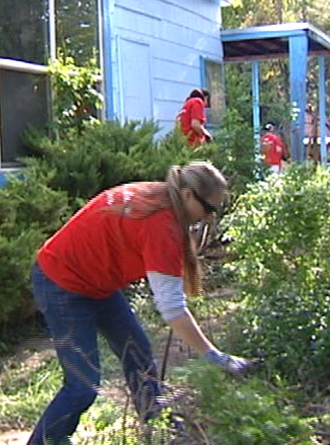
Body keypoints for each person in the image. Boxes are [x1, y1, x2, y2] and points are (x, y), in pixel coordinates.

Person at [27, 161, 253, 445]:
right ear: (187, 195)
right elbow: (172, 309)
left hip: (96, 282)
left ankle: (158, 429)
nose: (208, 217)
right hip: (61, 281)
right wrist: (214, 356)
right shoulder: (161, 225)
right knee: (83, 384)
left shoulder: (158, 196)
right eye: (208, 209)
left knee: (138, 353)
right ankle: (46, 441)